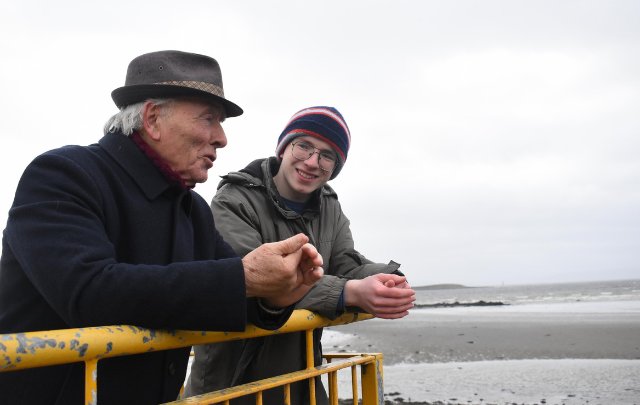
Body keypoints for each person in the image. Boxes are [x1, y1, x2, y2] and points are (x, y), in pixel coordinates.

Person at [0, 51, 324, 405]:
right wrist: (246, 279)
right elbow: (87, 291)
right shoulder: (65, 174)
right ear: (152, 118)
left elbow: (229, 295)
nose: (221, 138)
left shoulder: (192, 209)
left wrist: (275, 295)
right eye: (209, 119)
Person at [184, 107, 416, 405]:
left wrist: (383, 279)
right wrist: (351, 291)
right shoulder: (234, 200)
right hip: (231, 383)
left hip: (300, 380)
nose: (312, 162)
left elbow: (344, 261)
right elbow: (257, 279)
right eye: (304, 146)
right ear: (283, 148)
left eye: (327, 155)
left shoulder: (329, 205)